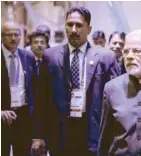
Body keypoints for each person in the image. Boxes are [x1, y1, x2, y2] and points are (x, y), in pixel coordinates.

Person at [34, 6, 120, 156]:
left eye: (79, 25)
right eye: (69, 24)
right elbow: (41, 99)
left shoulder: (106, 58)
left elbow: (117, 101)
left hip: (93, 135)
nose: (73, 30)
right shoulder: (50, 57)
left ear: (89, 28)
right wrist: (38, 136)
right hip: (59, 136)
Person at [1, 21, 35, 156]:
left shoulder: (28, 57)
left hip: (23, 115)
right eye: (9, 35)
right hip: (3, 115)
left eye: (16, 35)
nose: (13, 38)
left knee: (22, 151)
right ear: (2, 36)